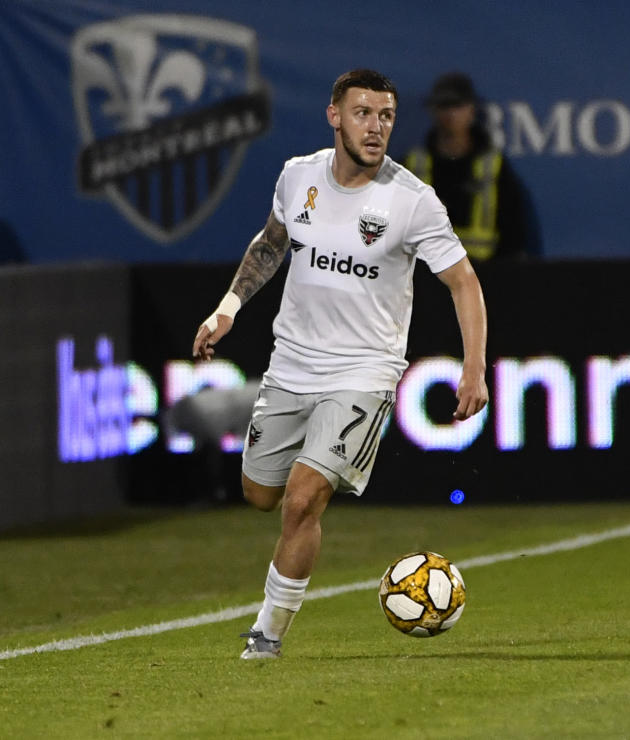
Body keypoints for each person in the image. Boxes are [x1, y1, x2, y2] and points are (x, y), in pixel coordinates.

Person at [191, 69, 489, 659]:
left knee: (303, 499)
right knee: (260, 494)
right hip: (291, 365)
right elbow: (272, 242)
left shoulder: (412, 200)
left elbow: (464, 283)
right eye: (363, 113)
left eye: (386, 116)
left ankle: (267, 635)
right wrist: (228, 308)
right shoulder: (297, 176)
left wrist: (474, 367)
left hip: (363, 373)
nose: (376, 127)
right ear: (334, 116)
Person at [404, 73, 538, 261]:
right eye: (444, 105)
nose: (450, 114)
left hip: (485, 274)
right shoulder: (412, 165)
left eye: (457, 105)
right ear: (433, 110)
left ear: (472, 110)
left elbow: (513, 231)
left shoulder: (494, 167)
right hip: (424, 277)